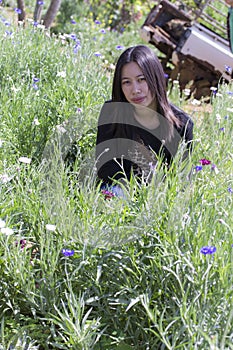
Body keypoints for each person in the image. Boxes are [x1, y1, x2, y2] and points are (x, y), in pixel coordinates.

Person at [95, 45, 193, 194]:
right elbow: (105, 167)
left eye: (141, 79)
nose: (135, 90)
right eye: (126, 82)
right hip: (119, 191)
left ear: (155, 78)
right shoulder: (112, 112)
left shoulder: (182, 125)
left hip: (160, 197)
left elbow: (182, 179)